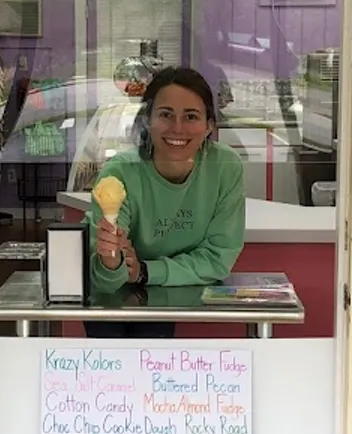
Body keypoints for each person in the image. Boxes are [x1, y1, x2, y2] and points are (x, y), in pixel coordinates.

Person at [84, 66, 246, 339]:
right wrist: (111, 258)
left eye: (191, 116)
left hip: (169, 293)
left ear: (209, 126)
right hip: (112, 301)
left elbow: (218, 259)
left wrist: (147, 271)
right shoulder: (120, 173)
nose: (177, 128)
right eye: (165, 115)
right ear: (148, 120)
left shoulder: (225, 168)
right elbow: (105, 279)